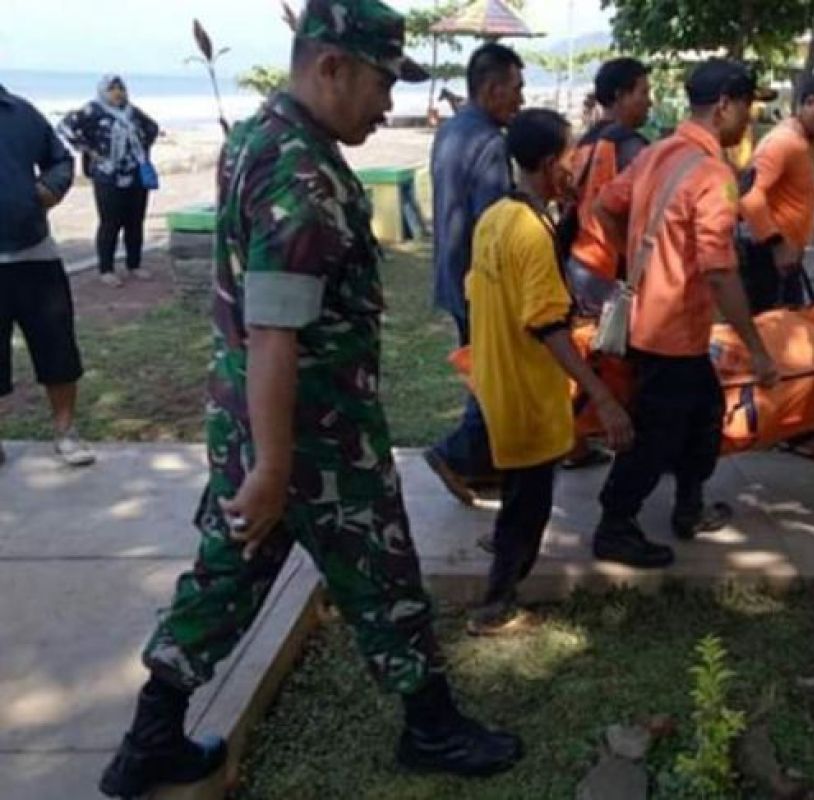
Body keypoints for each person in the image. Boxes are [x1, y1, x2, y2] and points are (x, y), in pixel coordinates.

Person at [97, 3, 522, 796]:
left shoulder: (263, 135)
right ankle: (430, 727)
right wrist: (276, 467)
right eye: (381, 81)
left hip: (260, 428)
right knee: (382, 573)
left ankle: (148, 743)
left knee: (228, 580)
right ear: (331, 66)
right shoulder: (299, 172)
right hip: (312, 438)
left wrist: (260, 463)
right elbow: (272, 332)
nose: (388, 103)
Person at [590, 59, 780, 568]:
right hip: (672, 334)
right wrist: (758, 349)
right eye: (747, 106)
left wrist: (634, 263)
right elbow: (719, 272)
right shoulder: (714, 175)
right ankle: (614, 525)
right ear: (724, 106)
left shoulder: (657, 154)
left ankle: (689, 507)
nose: (750, 118)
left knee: (704, 417)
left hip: (657, 326)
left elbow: (606, 205)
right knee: (655, 437)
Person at [466, 108, 634, 634]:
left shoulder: (496, 218)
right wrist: (601, 397)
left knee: (519, 492)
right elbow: (546, 325)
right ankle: (496, 607)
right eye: (570, 158)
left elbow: (490, 293)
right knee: (529, 506)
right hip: (528, 392)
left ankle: (502, 557)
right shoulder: (531, 233)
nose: (576, 169)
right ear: (545, 163)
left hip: (499, 383)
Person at [425, 42, 525, 505]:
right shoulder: (489, 142)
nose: (520, 101)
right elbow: (496, 227)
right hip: (479, 283)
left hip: (453, 274)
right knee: (496, 377)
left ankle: (484, 467)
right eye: (515, 90)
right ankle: (455, 453)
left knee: (483, 372)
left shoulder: (451, 129)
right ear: (491, 89)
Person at [0, 83, 95, 468]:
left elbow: (61, 159)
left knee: (56, 347)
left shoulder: (21, 113)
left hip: (34, 254)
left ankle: (66, 433)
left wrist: (48, 190)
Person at [739, 66, 814, 314]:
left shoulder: (807, 141)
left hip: (788, 257)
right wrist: (777, 245)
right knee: (772, 330)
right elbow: (750, 196)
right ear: (810, 103)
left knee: (791, 325)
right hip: (767, 258)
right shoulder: (782, 143)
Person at [565, 56, 653, 317]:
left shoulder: (584, 142)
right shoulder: (630, 146)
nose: (649, 101)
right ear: (620, 96)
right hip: (608, 269)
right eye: (643, 92)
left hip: (579, 261)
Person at [58, 75, 160, 287]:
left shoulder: (132, 112)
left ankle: (134, 264)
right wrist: (90, 151)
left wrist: (141, 150)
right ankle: (106, 269)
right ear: (104, 91)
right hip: (107, 177)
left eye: (120, 88)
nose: (117, 92)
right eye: (112, 88)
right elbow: (65, 128)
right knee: (110, 223)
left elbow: (152, 128)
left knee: (135, 222)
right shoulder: (93, 110)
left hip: (135, 176)